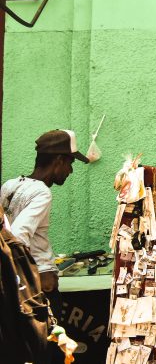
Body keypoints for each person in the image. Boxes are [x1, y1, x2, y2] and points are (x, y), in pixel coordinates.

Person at [0, 130, 89, 305]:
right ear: (59, 160)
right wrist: (31, 281)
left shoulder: (10, 185)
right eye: (70, 163)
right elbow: (17, 237)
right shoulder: (42, 192)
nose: (70, 170)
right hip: (38, 287)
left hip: (15, 287)